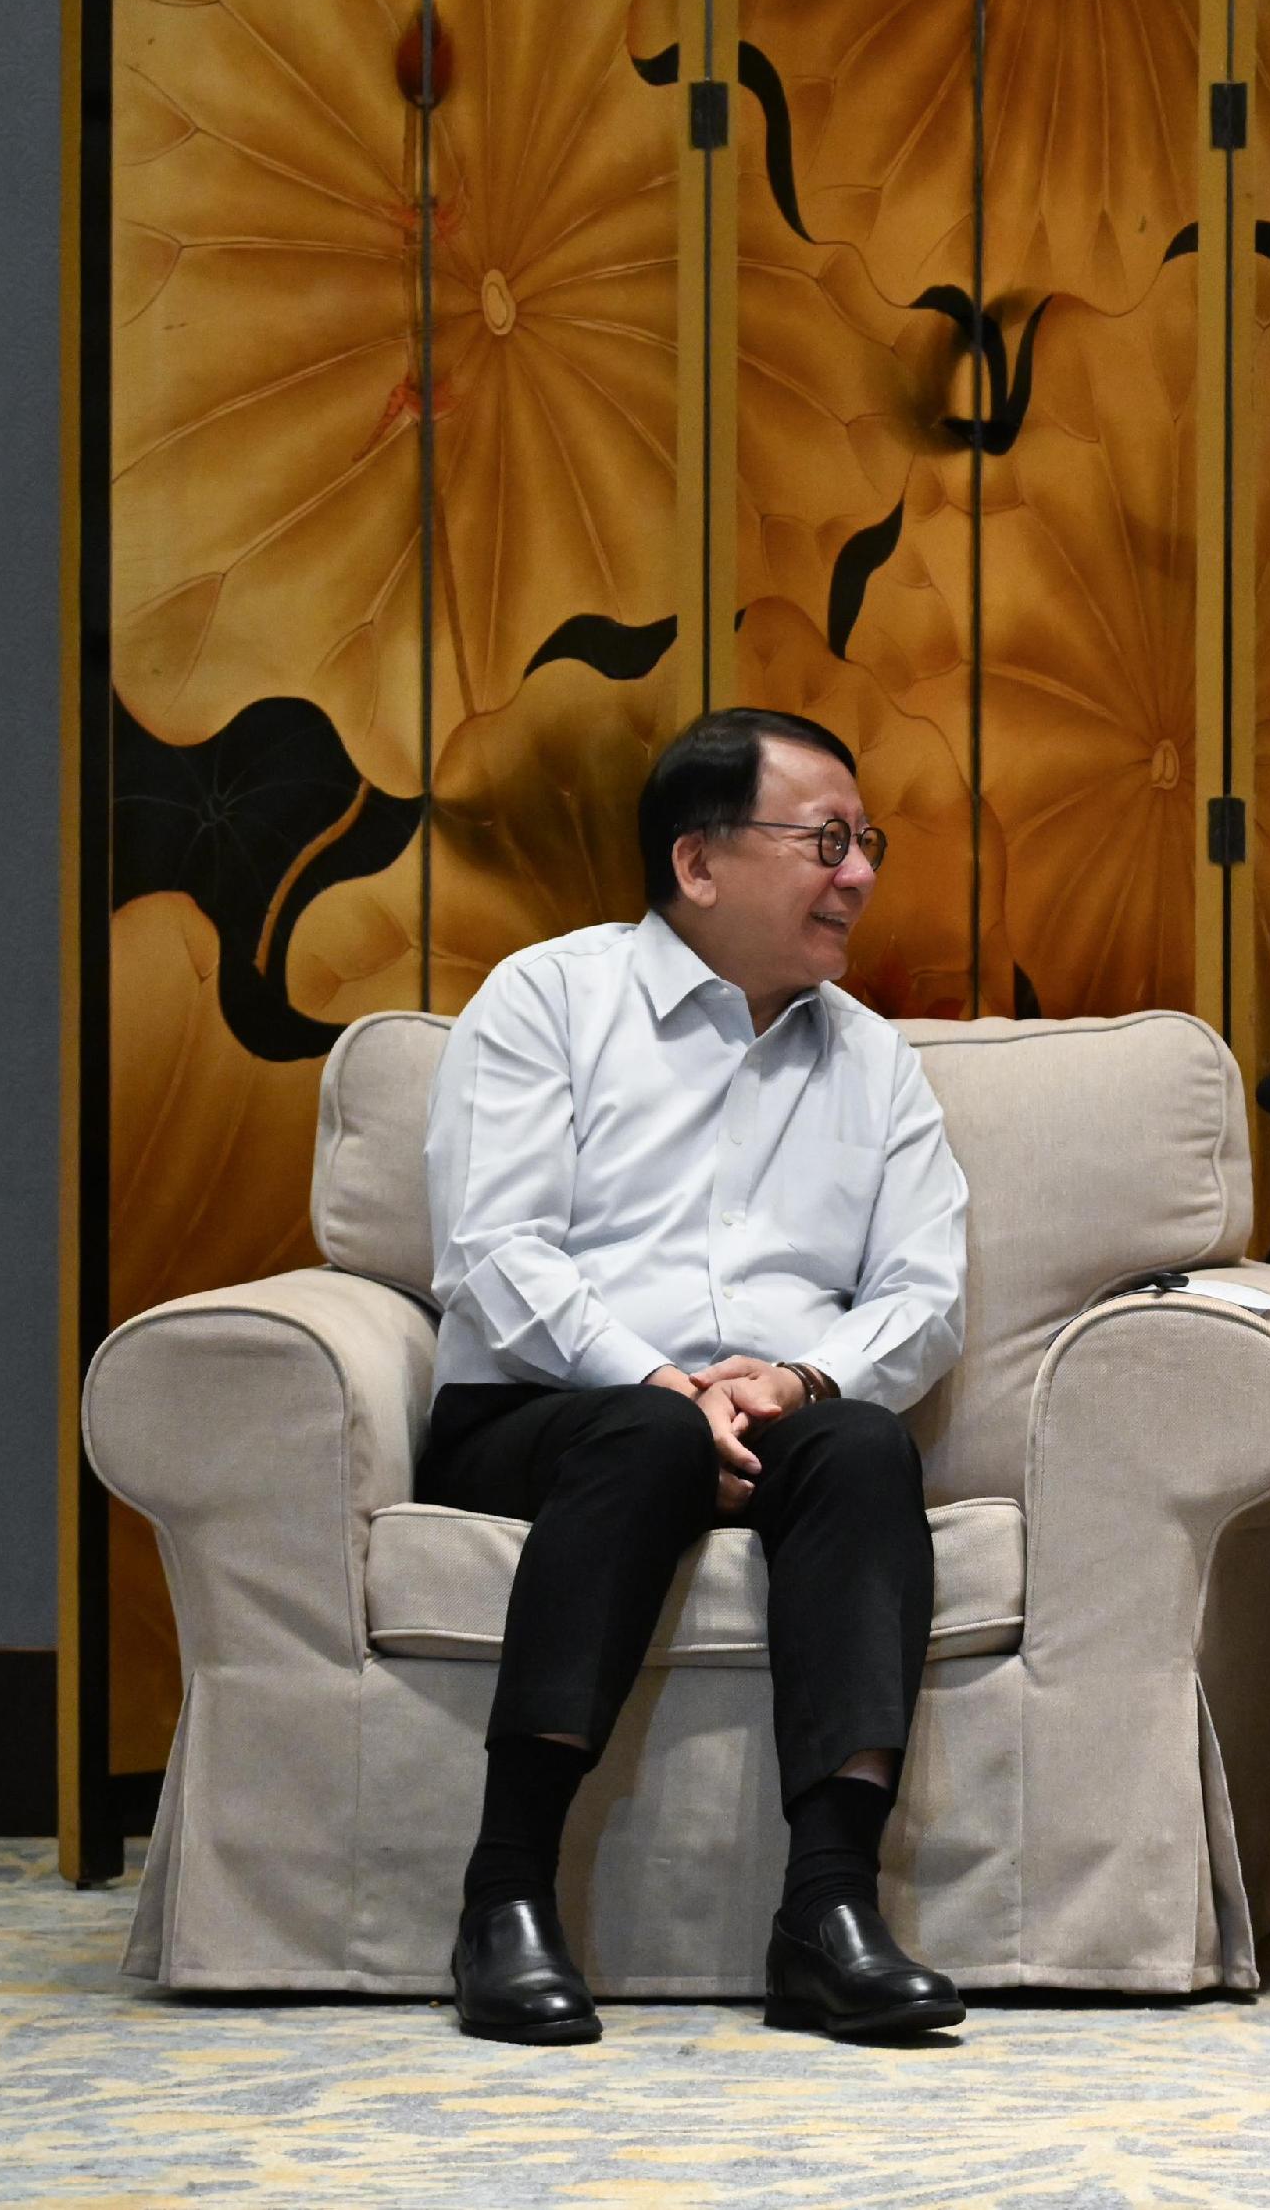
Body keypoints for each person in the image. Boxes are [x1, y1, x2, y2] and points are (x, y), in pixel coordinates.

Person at [421, 707, 972, 2046]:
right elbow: (495, 1249)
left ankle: (829, 1915)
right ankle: (505, 1896)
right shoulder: (549, 1001)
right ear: (700, 862)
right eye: (826, 840)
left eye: (867, 845)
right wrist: (657, 1382)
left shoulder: (875, 1061)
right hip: (542, 1411)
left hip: (774, 1414)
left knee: (864, 1451)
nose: (858, 874)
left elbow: (922, 1291)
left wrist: (798, 1380)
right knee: (647, 1442)